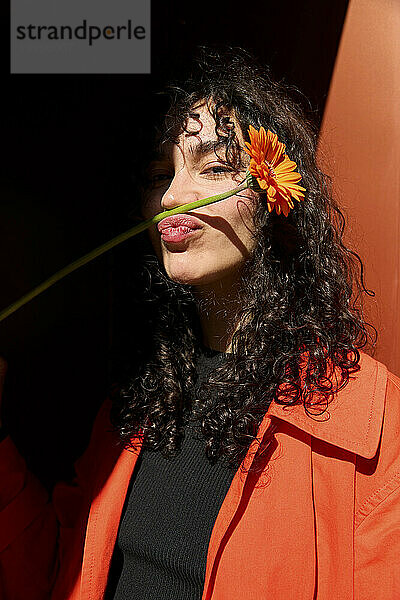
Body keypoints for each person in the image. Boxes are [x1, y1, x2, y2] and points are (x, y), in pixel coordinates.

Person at [1, 46, 400, 600]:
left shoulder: (372, 427)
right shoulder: (136, 405)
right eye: (160, 173)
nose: (173, 197)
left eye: (213, 168)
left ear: (273, 195)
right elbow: (55, 578)